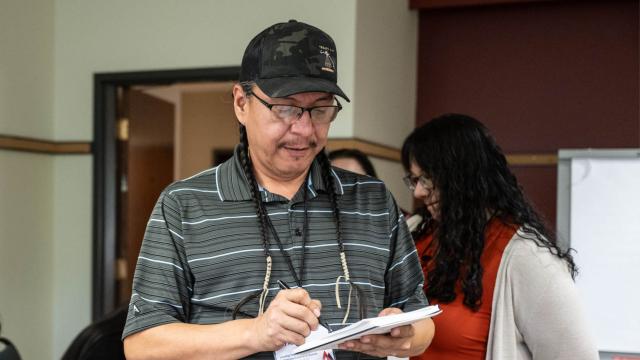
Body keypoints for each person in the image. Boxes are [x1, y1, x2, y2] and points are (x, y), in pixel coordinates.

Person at [122, 20, 434, 360]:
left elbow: (419, 318)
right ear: (241, 102)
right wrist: (256, 333)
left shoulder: (373, 201)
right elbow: (142, 345)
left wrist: (406, 335)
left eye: (320, 109)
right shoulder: (184, 205)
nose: (303, 129)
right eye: (285, 108)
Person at [401, 113, 598, 360]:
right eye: (414, 179)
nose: (418, 191)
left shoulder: (527, 256)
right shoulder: (416, 231)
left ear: (463, 178)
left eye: (427, 179)